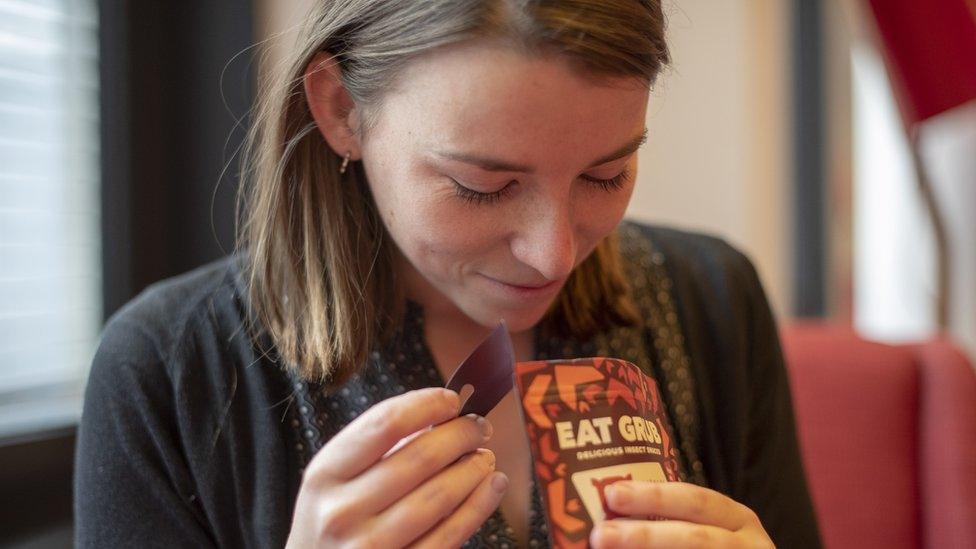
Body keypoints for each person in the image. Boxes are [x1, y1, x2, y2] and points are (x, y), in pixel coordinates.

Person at [75, 1, 822, 547]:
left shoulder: (713, 301)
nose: (553, 254)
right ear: (340, 108)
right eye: (481, 185)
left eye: (606, 174)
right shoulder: (167, 374)